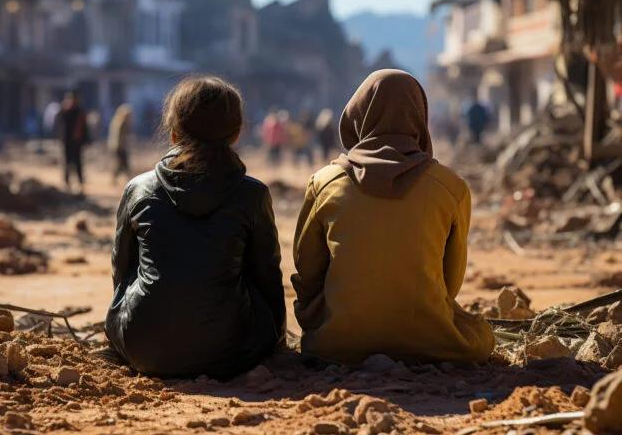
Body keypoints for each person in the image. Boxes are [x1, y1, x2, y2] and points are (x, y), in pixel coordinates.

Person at [292, 69, 494, 365]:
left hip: (336, 343)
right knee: (482, 334)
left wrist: (322, 320)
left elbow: (308, 271)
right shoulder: (451, 187)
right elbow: (450, 281)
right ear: (419, 117)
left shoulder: (324, 182)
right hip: (431, 342)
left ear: (357, 115)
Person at [105, 76, 286, 378]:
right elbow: (267, 277)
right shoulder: (251, 194)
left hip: (142, 348)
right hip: (232, 354)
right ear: (236, 133)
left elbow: (121, 273)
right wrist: (273, 338)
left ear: (174, 133)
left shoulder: (137, 189)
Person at [56, 92, 89, 193]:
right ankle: (67, 183)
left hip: (77, 142)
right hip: (67, 141)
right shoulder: (64, 110)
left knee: (78, 163)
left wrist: (86, 140)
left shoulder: (80, 111)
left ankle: (80, 184)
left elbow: (84, 127)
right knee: (67, 162)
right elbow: (59, 123)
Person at [107, 104, 133, 183]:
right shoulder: (121, 123)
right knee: (124, 163)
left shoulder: (119, 122)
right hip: (119, 146)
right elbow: (118, 137)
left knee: (121, 164)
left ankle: (115, 179)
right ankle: (129, 180)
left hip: (118, 146)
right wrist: (121, 146)